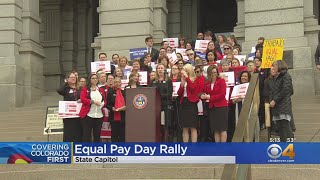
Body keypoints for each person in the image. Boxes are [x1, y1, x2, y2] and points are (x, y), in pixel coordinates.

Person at [200, 65, 228, 143]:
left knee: (222, 129)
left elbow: (222, 94)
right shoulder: (207, 83)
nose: (214, 74)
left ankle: (223, 148)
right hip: (212, 108)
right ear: (209, 73)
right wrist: (202, 95)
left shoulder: (221, 81)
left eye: (215, 72)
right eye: (212, 73)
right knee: (215, 129)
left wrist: (210, 97)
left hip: (221, 107)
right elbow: (203, 91)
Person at [269, 60, 294, 142]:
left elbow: (287, 90)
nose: (273, 68)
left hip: (283, 104)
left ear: (280, 66)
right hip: (277, 105)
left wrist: (275, 100)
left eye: (274, 66)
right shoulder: (276, 77)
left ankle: (291, 147)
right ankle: (284, 146)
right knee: (280, 127)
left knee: (285, 125)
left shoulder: (286, 76)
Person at [79, 74, 106, 142]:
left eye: (96, 78)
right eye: (93, 78)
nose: (94, 79)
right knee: (87, 135)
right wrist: (93, 102)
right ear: (90, 80)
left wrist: (102, 104)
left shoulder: (101, 90)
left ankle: (96, 150)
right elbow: (83, 99)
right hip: (88, 115)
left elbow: (104, 100)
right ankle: (86, 150)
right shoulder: (85, 89)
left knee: (97, 135)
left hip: (99, 115)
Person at [150, 63, 173, 142]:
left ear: (164, 70)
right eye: (158, 68)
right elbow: (150, 93)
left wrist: (159, 95)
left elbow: (169, 93)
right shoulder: (153, 81)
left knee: (165, 125)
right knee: (157, 125)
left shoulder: (168, 81)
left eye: (161, 68)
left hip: (165, 106)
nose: (160, 70)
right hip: (156, 107)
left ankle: (165, 141)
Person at [57, 72, 82, 142]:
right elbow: (59, 90)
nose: (74, 78)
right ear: (68, 79)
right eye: (72, 77)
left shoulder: (79, 88)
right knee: (69, 132)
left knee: (78, 132)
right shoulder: (66, 89)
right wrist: (66, 83)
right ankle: (68, 147)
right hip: (68, 116)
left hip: (78, 115)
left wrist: (81, 99)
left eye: (75, 77)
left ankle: (77, 147)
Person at [177, 64, 199, 142]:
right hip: (184, 103)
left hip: (191, 104)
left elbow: (193, 88)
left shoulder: (195, 79)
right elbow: (179, 93)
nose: (184, 72)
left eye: (186, 70)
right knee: (185, 127)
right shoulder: (183, 79)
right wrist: (182, 85)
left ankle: (194, 146)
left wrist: (187, 78)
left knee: (193, 126)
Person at [107, 77, 126, 142]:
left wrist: (125, 107)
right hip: (113, 117)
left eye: (119, 82)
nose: (117, 83)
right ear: (113, 83)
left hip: (123, 117)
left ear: (121, 83)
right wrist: (112, 108)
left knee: (122, 136)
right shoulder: (110, 92)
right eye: (116, 82)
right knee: (114, 136)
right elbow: (107, 104)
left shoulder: (124, 92)